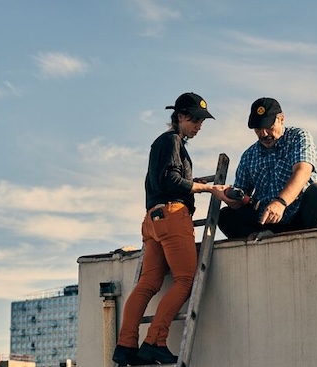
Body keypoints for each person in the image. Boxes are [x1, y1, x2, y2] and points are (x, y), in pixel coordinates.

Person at [112, 92, 230, 366]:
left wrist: (194, 182)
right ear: (180, 117)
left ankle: (126, 345)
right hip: (173, 216)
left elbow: (167, 178)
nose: (199, 125)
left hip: (153, 220)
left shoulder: (166, 144)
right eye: (195, 119)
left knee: (148, 283)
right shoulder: (171, 141)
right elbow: (172, 180)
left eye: (202, 121)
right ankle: (155, 341)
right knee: (186, 280)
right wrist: (209, 188)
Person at [218, 97, 317, 239]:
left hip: (302, 216)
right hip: (267, 221)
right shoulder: (248, 156)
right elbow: (242, 197)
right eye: (258, 129)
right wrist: (230, 197)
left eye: (268, 127)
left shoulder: (298, 137)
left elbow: (303, 171)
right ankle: (260, 237)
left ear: (281, 119)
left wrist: (280, 202)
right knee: (225, 216)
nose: (264, 134)